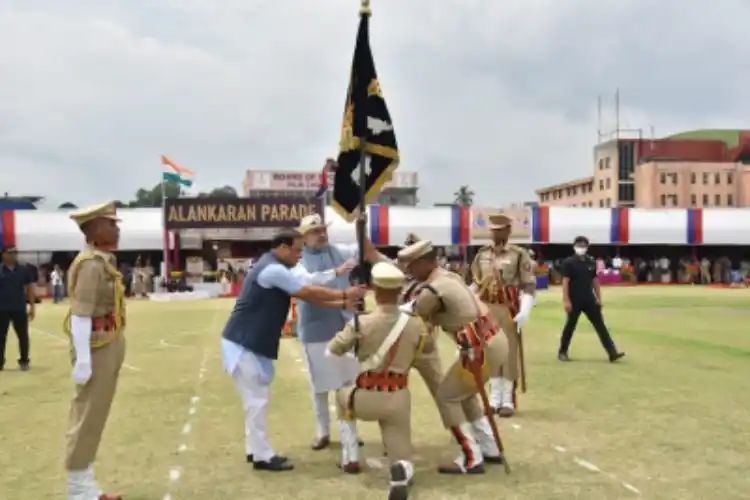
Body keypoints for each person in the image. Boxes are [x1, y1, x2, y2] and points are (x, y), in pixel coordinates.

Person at [220, 229, 367, 472]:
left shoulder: (276, 268)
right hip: (245, 343)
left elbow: (308, 295)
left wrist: (341, 302)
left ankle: (255, 449)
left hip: (248, 342)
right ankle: (263, 456)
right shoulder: (273, 270)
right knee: (257, 401)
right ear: (282, 248)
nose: (300, 255)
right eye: (297, 250)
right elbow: (307, 292)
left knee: (255, 400)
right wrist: (343, 294)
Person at [399, 240, 507, 475]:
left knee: (447, 396)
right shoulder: (448, 277)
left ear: (424, 263)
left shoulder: (433, 290)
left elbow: (412, 314)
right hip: (493, 340)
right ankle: (489, 447)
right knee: (464, 394)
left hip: (478, 348)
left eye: (412, 265)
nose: (408, 271)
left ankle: (470, 457)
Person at [327, 262, 432, 500]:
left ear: (375, 289)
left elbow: (333, 349)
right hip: (398, 396)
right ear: (399, 291)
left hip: (364, 398)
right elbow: (427, 349)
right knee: (400, 445)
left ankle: (351, 457)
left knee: (341, 396)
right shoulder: (415, 324)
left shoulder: (361, 323)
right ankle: (401, 470)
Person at [295, 213, 383, 451]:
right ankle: (322, 431)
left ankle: (350, 430)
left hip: (345, 326)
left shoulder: (340, 251)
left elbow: (366, 252)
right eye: (315, 231)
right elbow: (310, 284)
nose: (322, 234)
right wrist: (339, 272)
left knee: (347, 382)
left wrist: (361, 228)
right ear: (303, 237)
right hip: (314, 327)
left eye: (323, 229)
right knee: (319, 385)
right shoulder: (298, 260)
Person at [62, 201, 127, 500]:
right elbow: (80, 313)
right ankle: (78, 490)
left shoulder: (102, 260)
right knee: (88, 415)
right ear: (93, 230)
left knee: (96, 414)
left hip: (108, 339)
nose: (116, 228)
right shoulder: (90, 264)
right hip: (96, 345)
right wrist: (84, 359)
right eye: (110, 223)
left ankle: (85, 484)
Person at [470, 214, 536, 417]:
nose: (495, 234)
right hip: (486, 309)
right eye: (493, 230)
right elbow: (475, 283)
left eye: (500, 230)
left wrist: (526, 309)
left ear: (508, 231)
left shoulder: (519, 254)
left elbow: (528, 285)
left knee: (508, 354)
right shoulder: (481, 255)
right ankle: (493, 398)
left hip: (508, 309)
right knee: (490, 353)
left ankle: (507, 400)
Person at [558, 236, 625, 362]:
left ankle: (612, 352)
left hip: (589, 298)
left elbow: (595, 281)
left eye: (583, 246)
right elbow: (565, 282)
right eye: (579, 245)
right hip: (574, 299)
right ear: (574, 246)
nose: (581, 248)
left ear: (587, 247)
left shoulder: (591, 262)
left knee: (600, 325)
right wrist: (566, 300)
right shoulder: (569, 262)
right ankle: (562, 352)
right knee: (570, 326)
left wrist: (599, 298)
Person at [0, 245, 35, 371]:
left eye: (15, 253)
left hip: (19, 308)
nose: (13, 255)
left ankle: (24, 360)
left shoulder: (23, 270)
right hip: (2, 309)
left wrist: (32, 306)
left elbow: (29, 287)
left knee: (23, 336)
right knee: (1, 337)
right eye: (10, 253)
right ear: (3, 254)